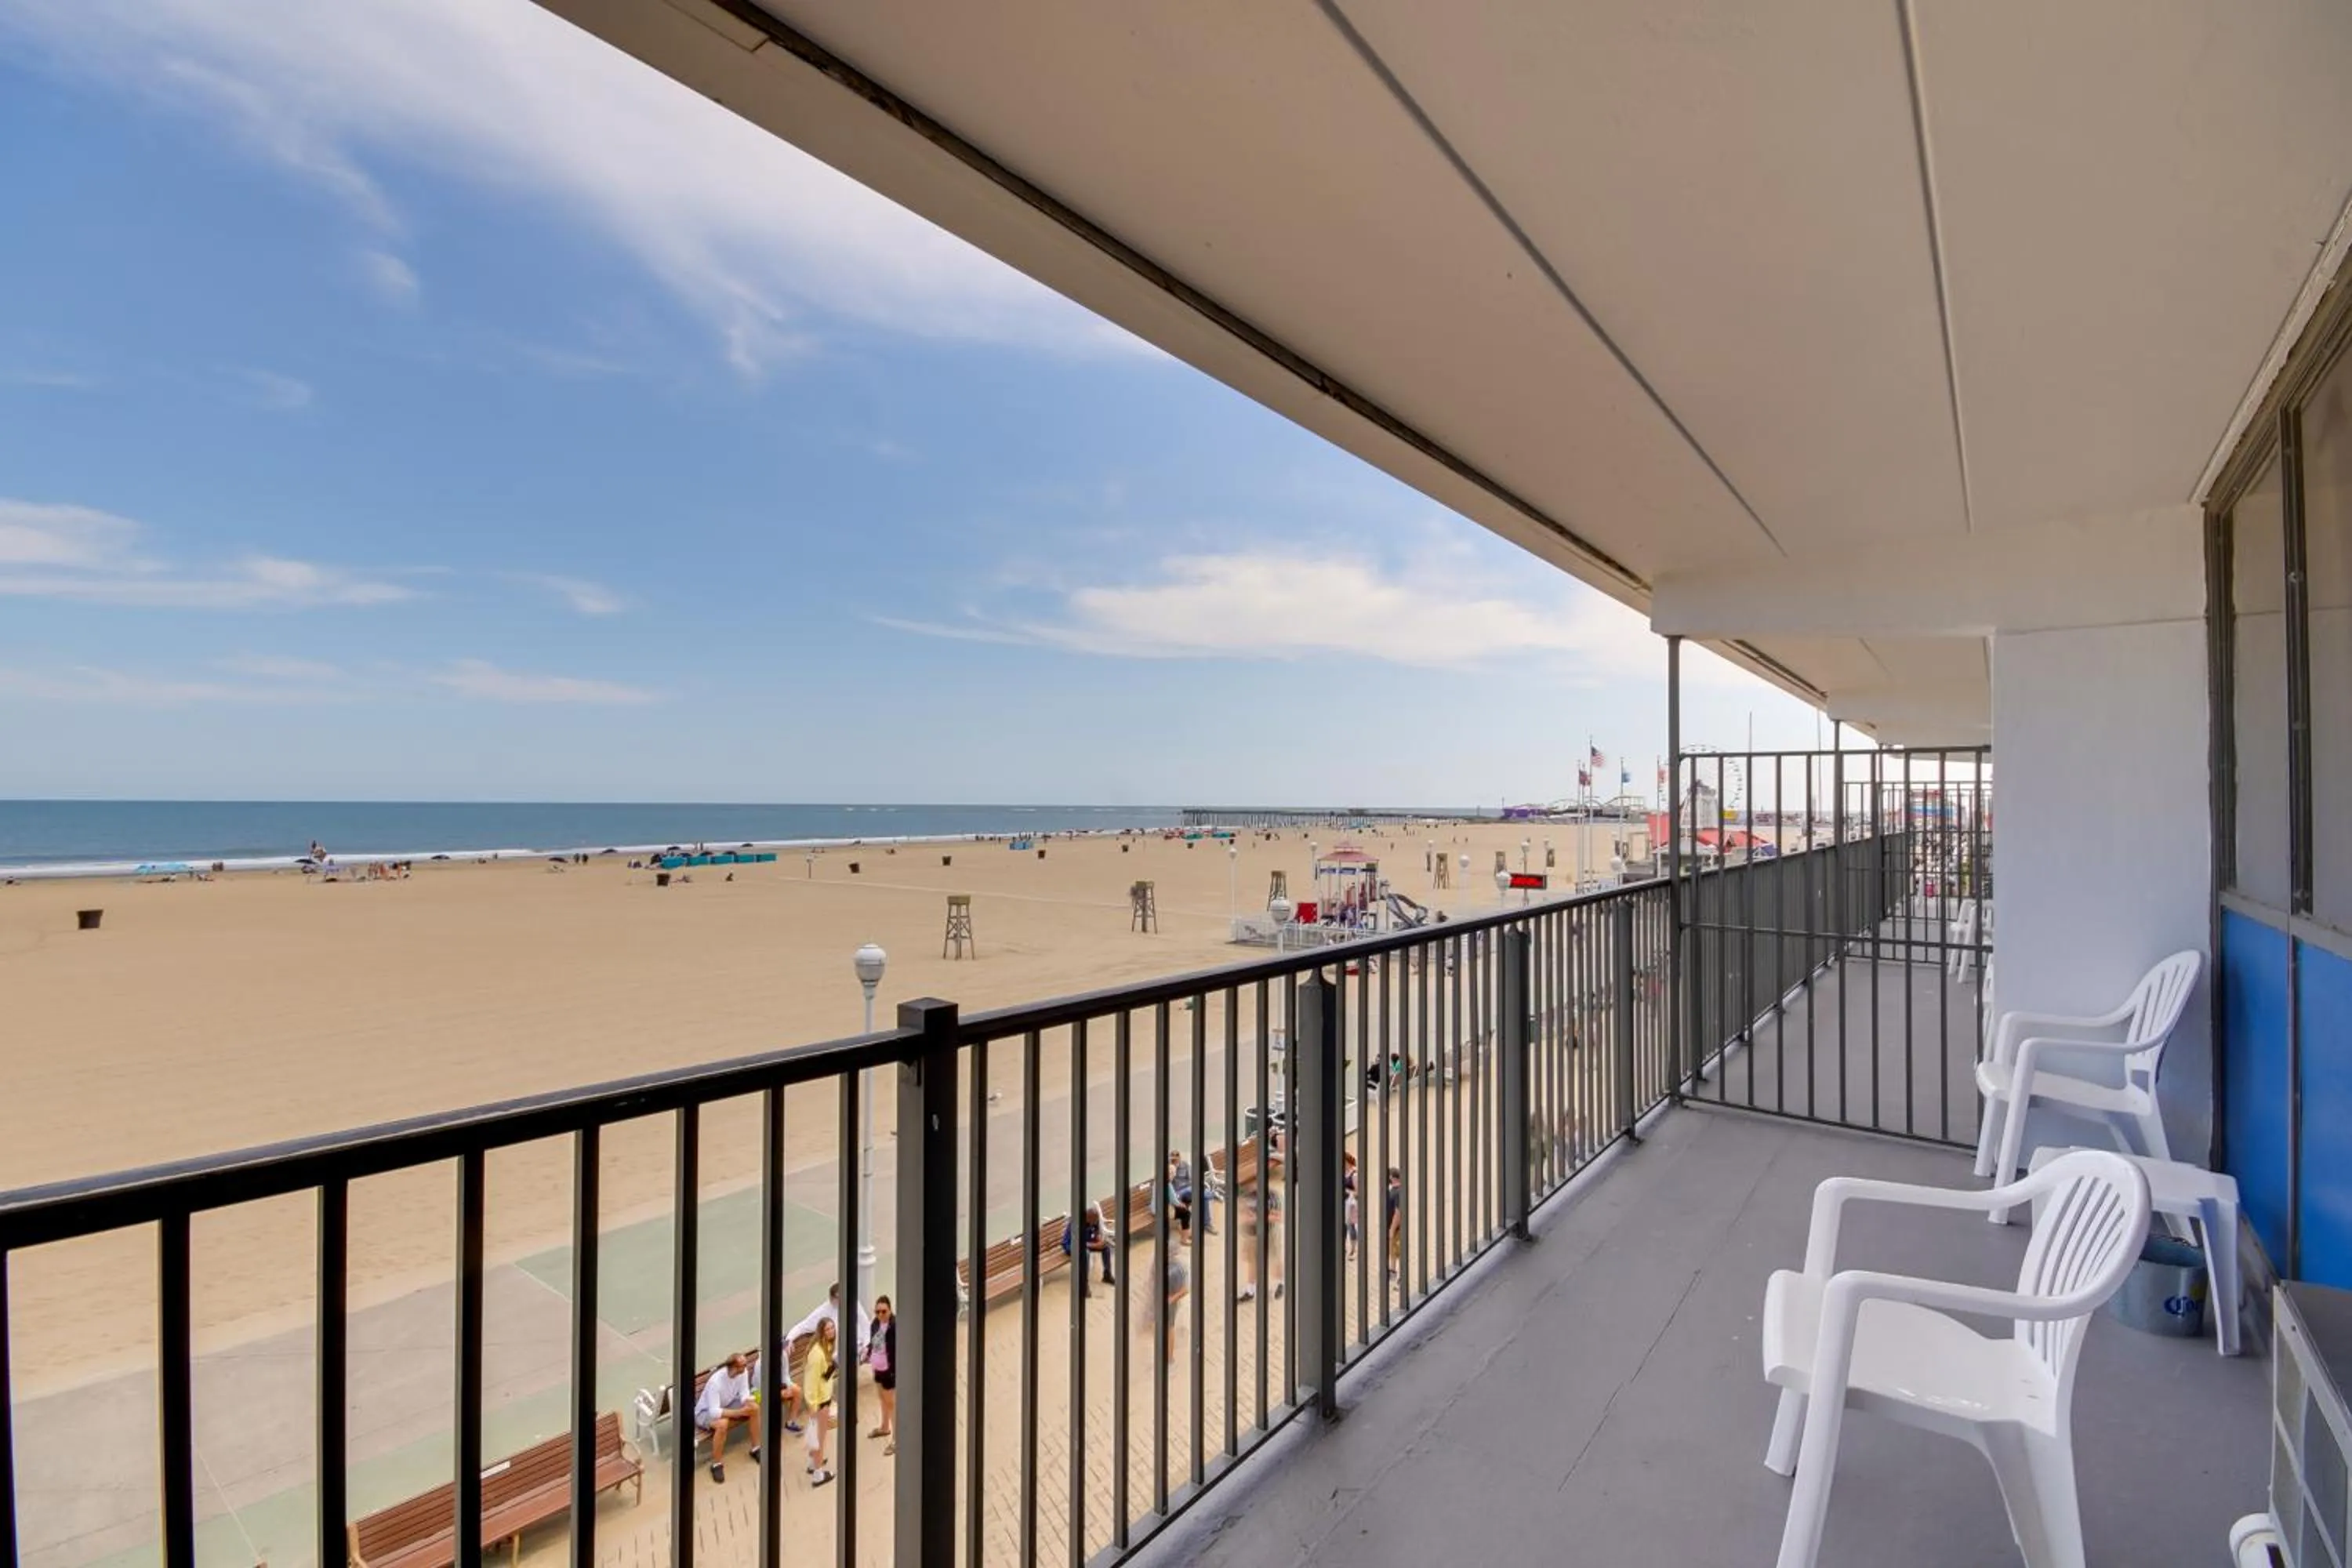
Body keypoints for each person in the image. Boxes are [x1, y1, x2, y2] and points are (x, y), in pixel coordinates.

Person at [695, 1350, 760, 1485]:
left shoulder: (742, 1373)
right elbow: (714, 1412)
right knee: (722, 1424)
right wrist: (740, 1412)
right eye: (743, 1365)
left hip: (726, 1404)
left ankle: (756, 1449)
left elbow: (744, 1392)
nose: (746, 1367)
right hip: (704, 1413)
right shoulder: (715, 1382)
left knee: (754, 1409)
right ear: (734, 1367)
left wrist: (747, 1401)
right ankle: (716, 1465)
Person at [803, 1316, 839, 1487]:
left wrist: (833, 1367)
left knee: (814, 1436)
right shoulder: (817, 1354)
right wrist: (813, 1407)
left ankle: (812, 1463)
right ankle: (818, 1473)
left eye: (833, 1328)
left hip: (823, 1398)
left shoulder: (827, 1347)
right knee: (820, 1438)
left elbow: (823, 1377)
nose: (831, 1331)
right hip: (818, 1402)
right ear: (821, 1332)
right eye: (828, 1329)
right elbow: (810, 1383)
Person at [866, 1295, 898, 1455]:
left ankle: (897, 1439)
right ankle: (884, 1427)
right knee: (882, 1399)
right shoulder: (875, 1324)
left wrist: (895, 1371)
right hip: (877, 1368)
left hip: (889, 1370)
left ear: (890, 1310)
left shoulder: (895, 1326)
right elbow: (874, 1343)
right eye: (877, 1311)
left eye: (884, 1311)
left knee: (892, 1403)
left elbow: (898, 1349)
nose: (880, 1315)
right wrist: (868, 1352)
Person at [1061, 1198, 1116, 1290]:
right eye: (1093, 1221)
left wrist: (1098, 1239)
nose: (1095, 1222)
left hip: (1087, 1241)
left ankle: (1107, 1275)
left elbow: (1096, 1229)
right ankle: (1084, 1284)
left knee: (1106, 1248)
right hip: (1071, 1246)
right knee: (1085, 1253)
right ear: (1087, 1217)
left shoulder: (1094, 1219)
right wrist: (1096, 1245)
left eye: (1096, 1220)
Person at [1385, 1167, 1404, 1285]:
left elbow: (1398, 1212)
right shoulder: (1394, 1189)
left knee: (1398, 1250)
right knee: (1392, 1249)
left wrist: (1392, 1228)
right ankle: (1392, 1271)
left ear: (1392, 1177)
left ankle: (1400, 1277)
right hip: (1392, 1226)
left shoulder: (1398, 1192)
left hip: (1396, 1227)